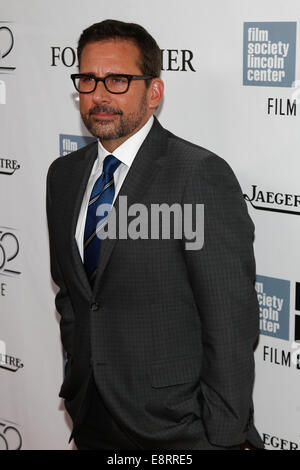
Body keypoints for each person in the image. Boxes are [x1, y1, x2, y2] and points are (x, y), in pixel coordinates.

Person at [46, 19, 264, 450]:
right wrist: (79, 384)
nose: (100, 94)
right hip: (92, 417)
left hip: (177, 430)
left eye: (118, 79)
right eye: (89, 79)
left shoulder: (198, 176)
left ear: (154, 92)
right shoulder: (64, 176)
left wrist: (220, 438)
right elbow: (72, 295)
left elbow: (230, 324)